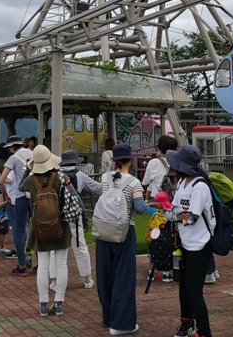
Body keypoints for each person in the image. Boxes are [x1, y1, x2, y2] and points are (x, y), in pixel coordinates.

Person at [95, 142, 146, 336]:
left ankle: (108, 317)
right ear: (130, 161)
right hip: (124, 232)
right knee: (123, 277)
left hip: (103, 230)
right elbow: (140, 209)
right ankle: (122, 323)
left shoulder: (105, 178)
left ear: (114, 160)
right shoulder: (133, 182)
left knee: (105, 275)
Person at [165, 145, 215, 337]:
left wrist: (173, 215)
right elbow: (176, 208)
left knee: (194, 290)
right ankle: (186, 323)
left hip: (200, 244)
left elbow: (192, 217)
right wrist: (175, 213)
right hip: (185, 242)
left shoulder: (200, 186)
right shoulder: (182, 183)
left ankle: (204, 332)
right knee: (183, 285)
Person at [24, 145, 72, 318]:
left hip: (39, 228)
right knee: (61, 264)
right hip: (60, 226)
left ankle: (43, 304)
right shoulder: (61, 177)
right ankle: (59, 303)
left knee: (43, 266)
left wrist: (28, 169)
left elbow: (22, 188)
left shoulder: (30, 181)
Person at [57, 149, 101, 289]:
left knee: (57, 248)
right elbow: (98, 189)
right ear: (76, 162)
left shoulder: (54, 174)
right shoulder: (80, 175)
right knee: (80, 246)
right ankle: (87, 278)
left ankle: (56, 280)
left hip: (57, 216)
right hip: (74, 214)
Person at [0, 135, 34, 276]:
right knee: (35, 230)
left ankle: (22, 265)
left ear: (13, 148)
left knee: (19, 231)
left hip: (20, 196)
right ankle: (35, 263)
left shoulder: (13, 158)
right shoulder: (34, 153)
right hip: (36, 196)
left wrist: (6, 196)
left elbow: (1, 181)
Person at [141, 135, 179, 200]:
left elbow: (145, 182)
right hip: (173, 197)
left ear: (159, 148)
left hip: (157, 198)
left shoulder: (153, 162)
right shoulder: (177, 162)